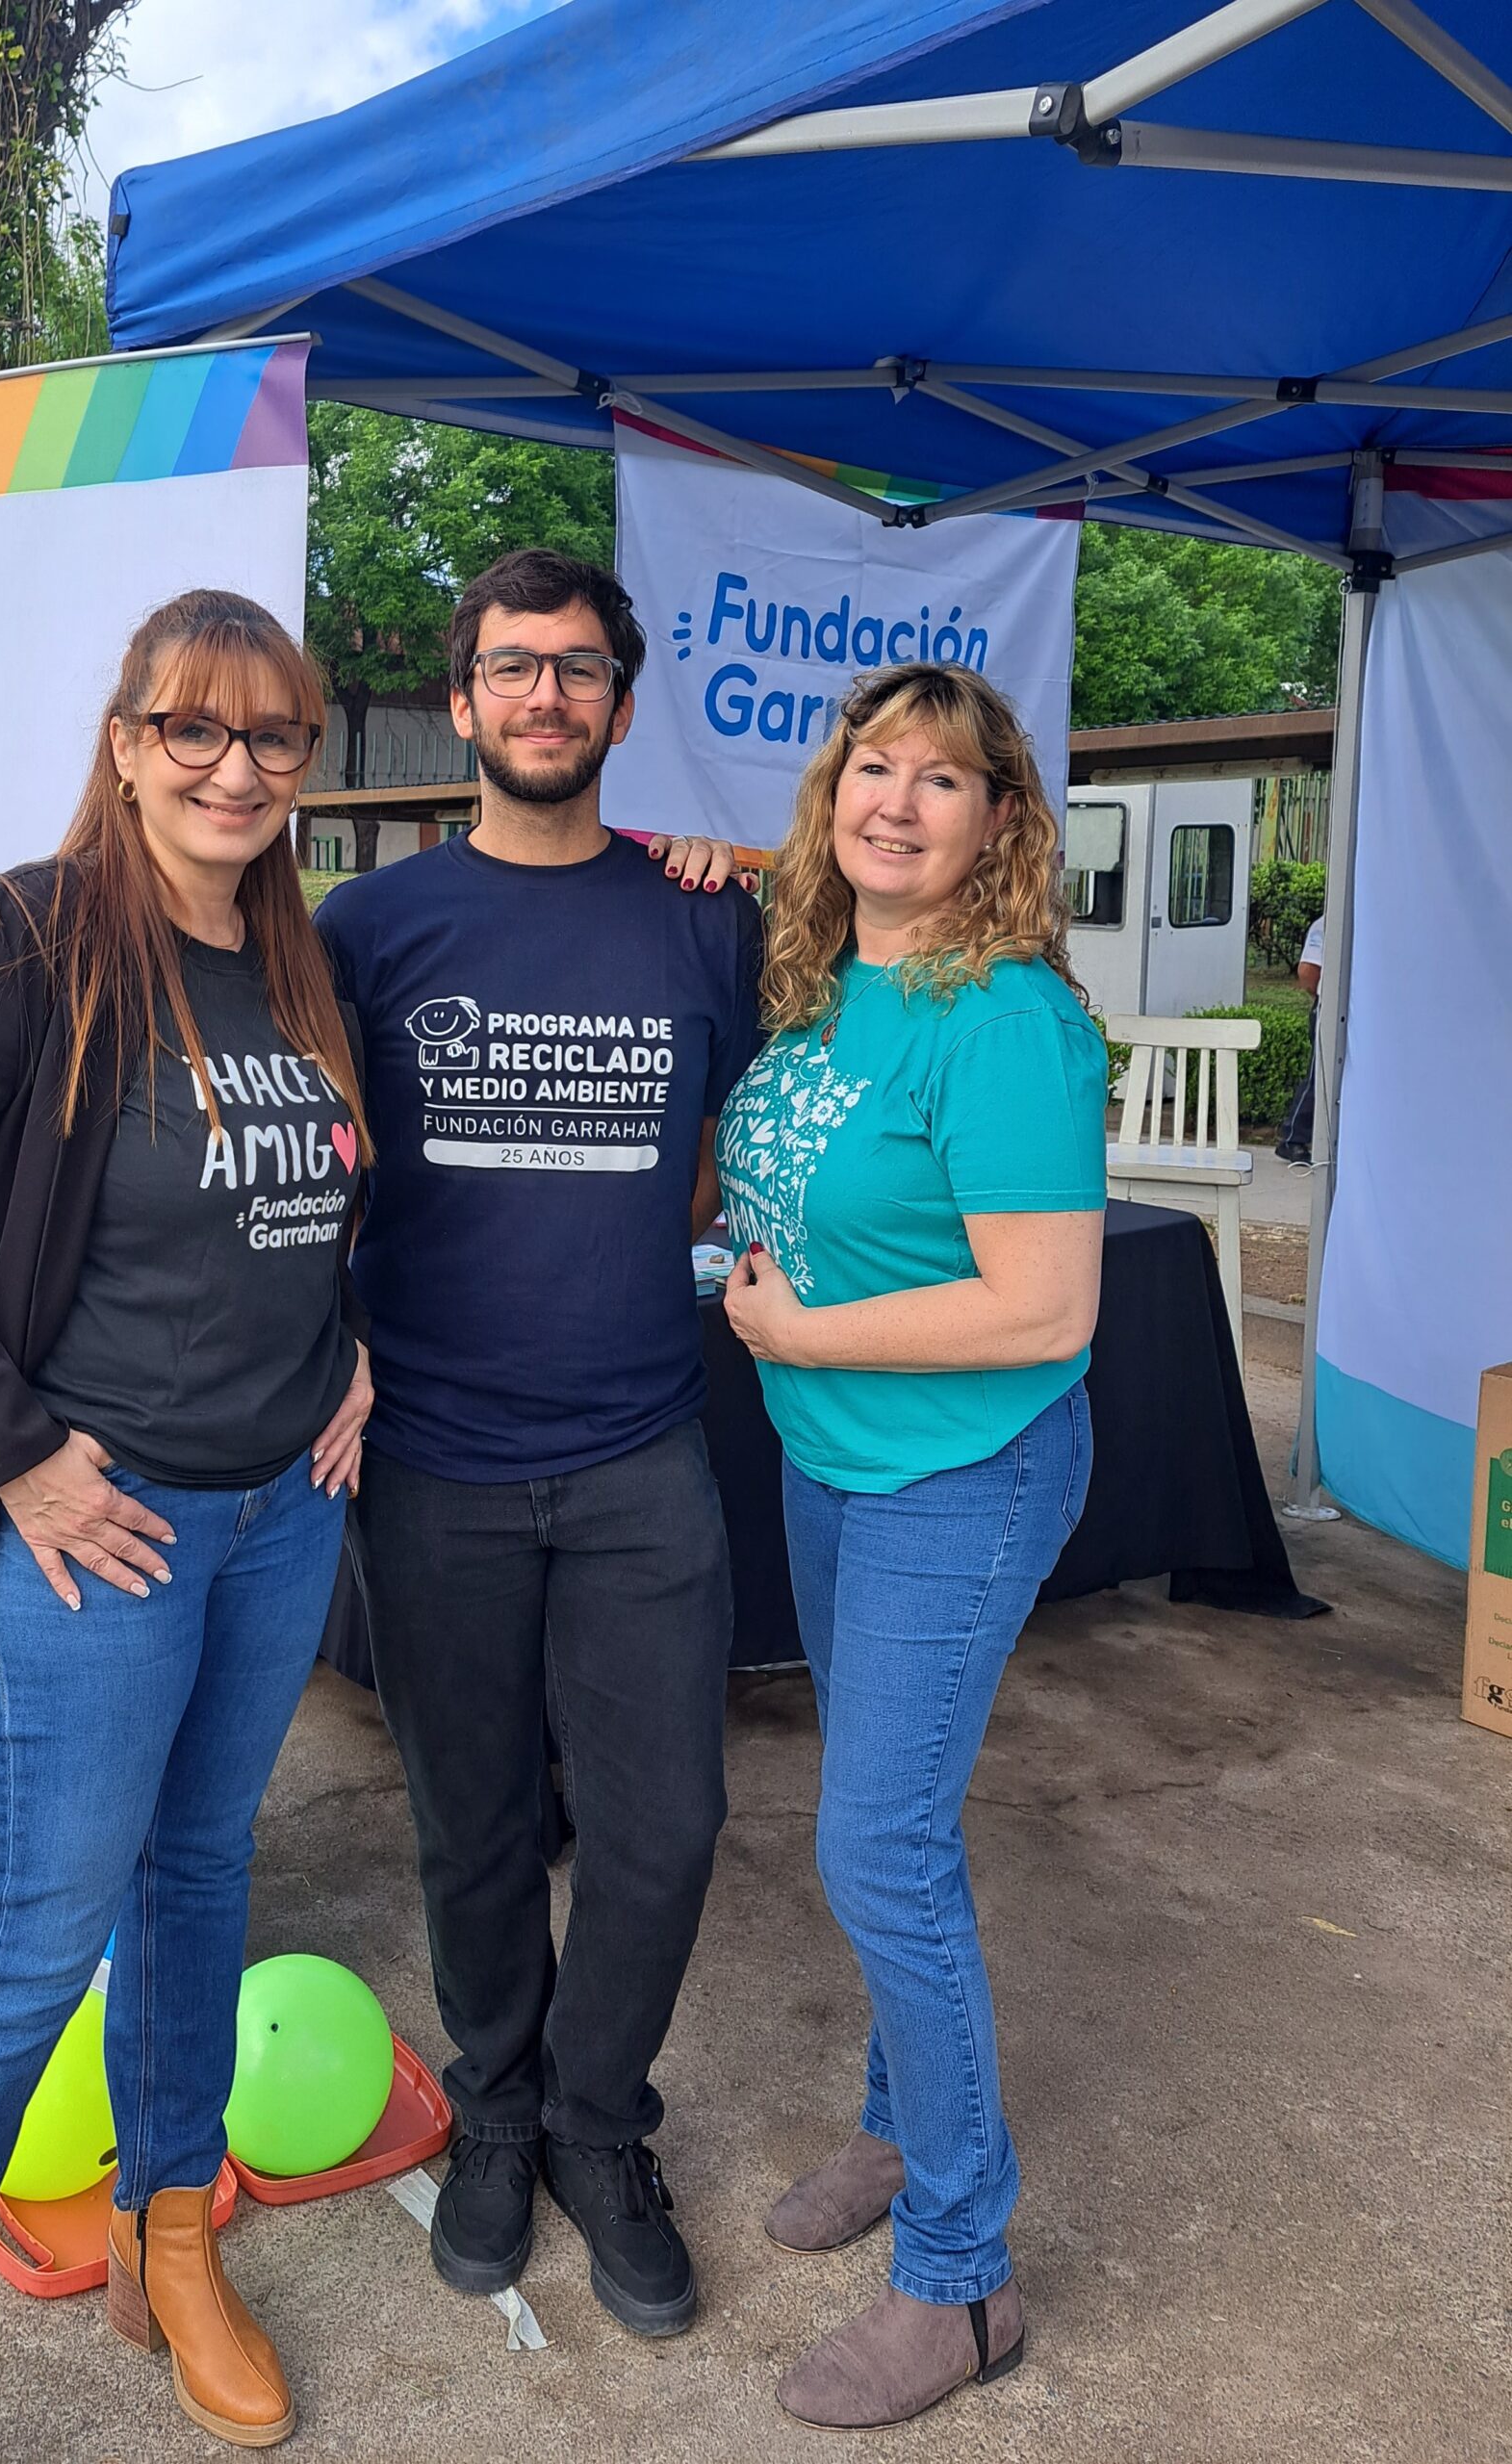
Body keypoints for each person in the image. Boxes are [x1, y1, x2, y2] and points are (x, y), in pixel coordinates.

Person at [0, 591, 374, 2461]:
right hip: (97, 1536)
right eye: (193, 726)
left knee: (201, 1878)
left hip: (283, 1515)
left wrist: (348, 1346)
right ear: (126, 742)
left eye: (272, 737)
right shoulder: (25, 934)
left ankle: (163, 2238)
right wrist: (20, 1453)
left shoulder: (294, 963)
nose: (232, 766)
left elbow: (315, 1194)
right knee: (24, 1952)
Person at [315, 549, 764, 2341]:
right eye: (513, 669)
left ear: (621, 706)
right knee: (472, 1822)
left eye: (577, 670)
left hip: (646, 1448)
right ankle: (494, 2107)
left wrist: (754, 863)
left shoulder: (701, 921)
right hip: (434, 1458)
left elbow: (803, 1074)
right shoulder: (367, 930)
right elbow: (295, 1169)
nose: (544, 698)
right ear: (464, 703)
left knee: (664, 1827)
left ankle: (597, 2120)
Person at [716, 663, 1106, 2430]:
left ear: (998, 825)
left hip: (965, 1471)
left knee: (874, 1850)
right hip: (831, 1464)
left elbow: (1039, 1311)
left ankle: (962, 2277)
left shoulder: (1004, 1019)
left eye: (939, 780)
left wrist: (798, 1337)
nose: (895, 800)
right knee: (901, 1833)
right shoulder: (818, 1001)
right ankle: (894, 2124)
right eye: (870, 767)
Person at [1275, 911, 1324, 1164]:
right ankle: (1292, 1138)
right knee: (1321, 1075)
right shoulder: (1326, 924)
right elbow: (1307, 973)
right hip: (1330, 1007)